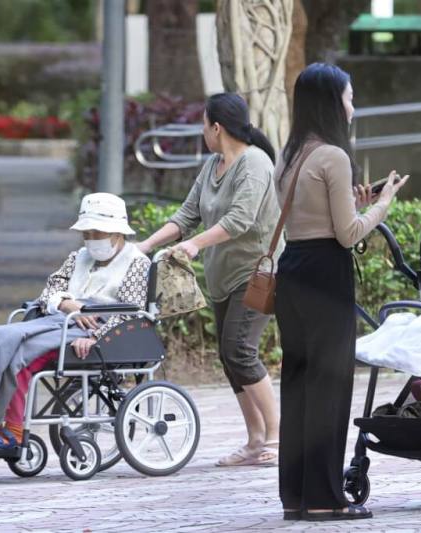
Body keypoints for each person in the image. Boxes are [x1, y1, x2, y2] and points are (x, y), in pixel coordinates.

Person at [274, 62, 408, 521]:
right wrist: (384, 205)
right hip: (325, 273)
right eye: (350, 97)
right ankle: (325, 499)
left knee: (298, 383)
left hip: (292, 269)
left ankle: (296, 496)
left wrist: (357, 201)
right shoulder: (333, 155)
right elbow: (348, 234)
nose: (353, 106)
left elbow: (313, 216)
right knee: (329, 387)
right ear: (333, 102)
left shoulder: (291, 153)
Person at [138, 93, 282, 467]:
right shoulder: (212, 166)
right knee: (229, 356)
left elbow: (241, 220)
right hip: (223, 278)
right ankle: (254, 441)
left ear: (217, 128)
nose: (203, 132)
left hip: (257, 274)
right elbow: (186, 214)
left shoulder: (255, 164)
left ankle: (277, 436)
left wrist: (195, 245)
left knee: (240, 351)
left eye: (204, 125)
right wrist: (145, 245)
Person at [0, 193, 150, 451]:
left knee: (19, 356)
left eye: (98, 232)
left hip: (95, 329)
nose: (92, 239)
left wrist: (95, 337)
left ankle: (9, 430)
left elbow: (130, 313)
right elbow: (49, 291)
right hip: (60, 319)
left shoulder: (136, 264)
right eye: (87, 233)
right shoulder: (78, 257)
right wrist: (69, 304)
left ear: (117, 233)